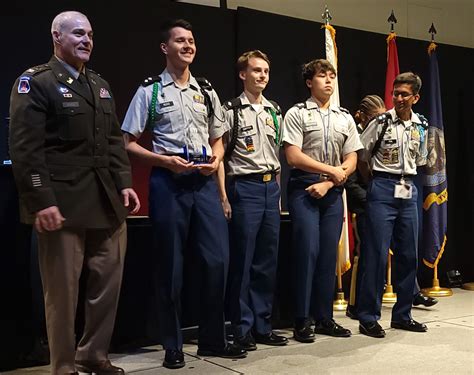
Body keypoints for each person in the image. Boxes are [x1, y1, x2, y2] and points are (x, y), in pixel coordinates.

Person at [9, 11, 140, 375]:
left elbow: (114, 140)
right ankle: (64, 365)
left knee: (107, 283)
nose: (86, 40)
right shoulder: (35, 82)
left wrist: (125, 183)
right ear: (57, 36)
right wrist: (41, 201)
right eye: (78, 34)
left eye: (90, 35)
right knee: (62, 293)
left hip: (105, 200)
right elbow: (25, 149)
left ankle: (93, 354)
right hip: (61, 203)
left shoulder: (98, 84)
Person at [121, 19, 246, 370]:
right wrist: (163, 160)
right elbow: (127, 141)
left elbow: (218, 138)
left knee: (217, 262)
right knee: (170, 267)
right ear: (165, 48)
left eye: (191, 40)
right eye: (180, 41)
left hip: (204, 182)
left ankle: (211, 339)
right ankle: (172, 345)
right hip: (169, 182)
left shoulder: (206, 91)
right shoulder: (151, 91)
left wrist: (216, 158)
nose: (188, 46)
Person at [282, 59, 362, 343]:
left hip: (332, 190)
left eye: (332, 76)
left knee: (328, 254)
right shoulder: (296, 114)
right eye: (321, 76)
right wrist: (330, 172)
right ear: (309, 82)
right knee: (308, 252)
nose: (328, 81)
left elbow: (352, 157)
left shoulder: (344, 117)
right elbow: (293, 156)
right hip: (305, 188)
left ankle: (324, 317)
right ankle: (302, 319)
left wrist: (330, 181)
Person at [217, 50, 288, 351]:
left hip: (270, 189)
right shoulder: (231, 110)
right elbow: (219, 156)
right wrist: (223, 197)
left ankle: (262, 325)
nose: (262, 76)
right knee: (243, 263)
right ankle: (241, 328)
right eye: (256, 70)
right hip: (244, 188)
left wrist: (279, 195)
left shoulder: (274, 110)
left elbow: (279, 158)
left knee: (266, 263)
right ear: (243, 74)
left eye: (266, 71)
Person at [357, 72, 429, 338]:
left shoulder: (421, 124)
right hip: (383, 186)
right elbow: (362, 155)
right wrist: (374, 183)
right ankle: (368, 317)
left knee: (408, 253)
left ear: (415, 97)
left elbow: (420, 158)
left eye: (404, 94)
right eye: (395, 93)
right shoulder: (381, 122)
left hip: (408, 187)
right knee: (376, 254)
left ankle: (402, 315)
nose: (398, 98)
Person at [345, 95, 386, 320]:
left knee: (379, 254)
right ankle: (355, 303)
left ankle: (413, 291)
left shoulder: (383, 133)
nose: (380, 122)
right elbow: (351, 183)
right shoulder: (355, 136)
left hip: (381, 203)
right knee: (365, 255)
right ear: (363, 116)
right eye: (375, 118)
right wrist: (372, 200)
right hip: (363, 206)